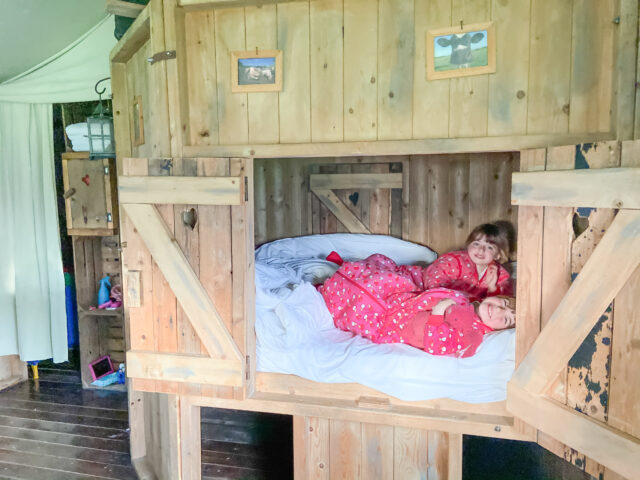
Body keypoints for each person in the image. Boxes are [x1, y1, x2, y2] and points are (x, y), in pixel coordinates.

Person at [318, 253, 515, 358]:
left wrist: (438, 312)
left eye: (505, 319)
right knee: (383, 278)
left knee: (360, 299)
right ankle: (346, 271)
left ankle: (330, 286)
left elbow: (437, 344)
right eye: (504, 303)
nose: (498, 310)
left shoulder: (472, 334)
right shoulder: (473, 304)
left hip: (392, 322)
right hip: (405, 301)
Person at [422, 222, 514, 302]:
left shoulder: (499, 274)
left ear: (498, 255)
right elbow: (433, 284)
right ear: (468, 245)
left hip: (466, 306)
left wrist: (492, 287)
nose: (481, 250)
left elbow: (501, 303)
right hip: (431, 292)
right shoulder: (453, 261)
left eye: (490, 247)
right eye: (476, 244)